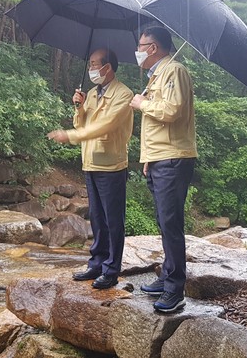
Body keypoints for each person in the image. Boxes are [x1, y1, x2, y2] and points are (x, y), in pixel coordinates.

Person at [48, 48, 133, 290]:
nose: (91, 68)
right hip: (90, 163)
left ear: (108, 67)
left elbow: (104, 127)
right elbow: (84, 123)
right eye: (90, 64)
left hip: (111, 165)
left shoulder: (123, 94)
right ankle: (96, 263)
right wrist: (79, 107)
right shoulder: (94, 93)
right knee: (96, 218)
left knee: (113, 220)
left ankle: (111, 269)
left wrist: (70, 136)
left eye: (95, 64)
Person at [129, 26, 197, 313]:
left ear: (153, 47)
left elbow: (171, 111)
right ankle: (167, 275)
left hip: (173, 158)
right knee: (163, 221)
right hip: (159, 158)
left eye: (141, 45)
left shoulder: (175, 71)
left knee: (171, 224)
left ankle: (175, 289)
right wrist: (148, 158)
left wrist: (142, 102)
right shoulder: (157, 74)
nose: (138, 50)